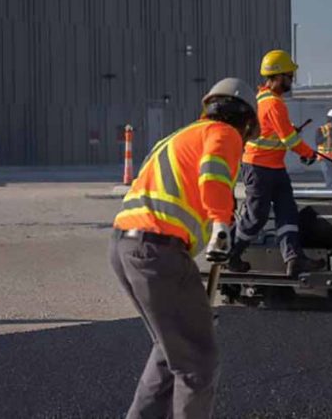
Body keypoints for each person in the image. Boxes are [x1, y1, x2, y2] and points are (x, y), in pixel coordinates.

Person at [109, 77, 258, 419]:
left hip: (124, 246)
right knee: (198, 365)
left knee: (170, 350)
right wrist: (221, 224)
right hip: (157, 251)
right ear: (246, 120)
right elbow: (214, 174)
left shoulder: (178, 136)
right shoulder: (223, 134)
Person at [228, 49, 321, 277]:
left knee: (287, 213)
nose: (291, 81)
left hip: (274, 168)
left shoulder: (263, 101)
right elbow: (288, 139)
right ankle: (231, 254)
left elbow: (277, 135)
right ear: (278, 77)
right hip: (259, 169)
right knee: (256, 217)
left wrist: (291, 137)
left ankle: (293, 259)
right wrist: (309, 153)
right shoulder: (273, 103)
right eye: (289, 76)